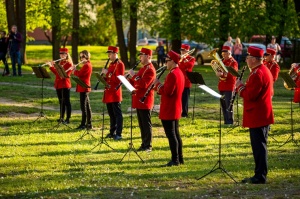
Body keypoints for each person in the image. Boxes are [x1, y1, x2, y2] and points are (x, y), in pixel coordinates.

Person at [236, 46, 274, 184]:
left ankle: (260, 176)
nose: (246, 60)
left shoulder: (258, 74)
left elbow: (250, 95)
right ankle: (259, 174)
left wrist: (239, 86)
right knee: (259, 146)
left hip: (258, 115)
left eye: (248, 57)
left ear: (253, 59)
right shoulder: (262, 70)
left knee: (259, 147)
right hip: (261, 113)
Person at [154, 50, 185, 166]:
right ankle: (180, 158)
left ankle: (175, 159)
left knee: (171, 135)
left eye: (167, 61)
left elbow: (168, 91)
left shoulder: (172, 74)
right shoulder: (179, 72)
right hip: (175, 107)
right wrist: (159, 88)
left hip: (169, 108)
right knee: (176, 134)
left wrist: (157, 84)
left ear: (172, 61)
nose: (165, 63)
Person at [128, 48, 156, 152]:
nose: (140, 57)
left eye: (142, 55)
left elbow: (144, 84)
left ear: (148, 56)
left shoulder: (150, 69)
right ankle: (143, 143)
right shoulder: (143, 68)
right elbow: (137, 82)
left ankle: (148, 145)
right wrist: (129, 79)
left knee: (146, 123)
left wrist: (133, 76)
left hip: (145, 100)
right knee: (141, 124)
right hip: (139, 99)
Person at [102, 46, 125, 140]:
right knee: (111, 114)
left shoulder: (120, 64)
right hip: (109, 91)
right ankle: (112, 131)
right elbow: (110, 78)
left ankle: (118, 133)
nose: (109, 55)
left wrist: (107, 73)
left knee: (117, 114)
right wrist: (103, 78)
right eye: (108, 53)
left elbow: (119, 79)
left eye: (110, 54)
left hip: (115, 92)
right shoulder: (111, 64)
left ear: (115, 53)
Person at [213, 45, 238, 125]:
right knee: (223, 105)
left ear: (229, 53)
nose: (223, 56)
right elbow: (218, 70)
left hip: (229, 86)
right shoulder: (222, 61)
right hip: (222, 86)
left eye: (225, 54)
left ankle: (230, 121)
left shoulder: (233, 62)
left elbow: (232, 74)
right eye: (223, 54)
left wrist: (222, 74)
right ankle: (225, 121)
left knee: (229, 105)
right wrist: (217, 72)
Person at [48, 47, 73, 124]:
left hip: (65, 85)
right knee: (61, 102)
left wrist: (53, 67)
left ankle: (68, 118)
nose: (61, 55)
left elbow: (65, 75)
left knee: (67, 102)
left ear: (66, 54)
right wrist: (51, 66)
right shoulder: (60, 63)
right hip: (58, 84)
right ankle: (61, 117)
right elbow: (56, 73)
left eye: (63, 54)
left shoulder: (69, 64)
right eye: (60, 54)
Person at [73, 50, 93, 130]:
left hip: (84, 87)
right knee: (86, 106)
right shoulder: (85, 65)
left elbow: (80, 75)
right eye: (80, 57)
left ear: (87, 56)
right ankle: (88, 123)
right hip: (82, 86)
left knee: (84, 107)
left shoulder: (87, 65)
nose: (81, 59)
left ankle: (84, 124)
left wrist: (74, 70)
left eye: (83, 57)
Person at [178, 44, 195, 117]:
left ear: (187, 51)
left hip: (186, 81)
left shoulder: (191, 58)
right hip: (179, 79)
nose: (182, 52)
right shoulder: (179, 58)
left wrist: (184, 59)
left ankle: (184, 113)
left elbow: (190, 66)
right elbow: (179, 66)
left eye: (183, 50)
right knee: (178, 97)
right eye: (181, 50)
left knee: (185, 99)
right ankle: (179, 111)